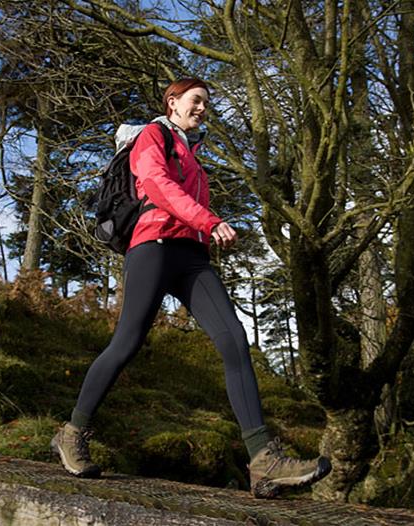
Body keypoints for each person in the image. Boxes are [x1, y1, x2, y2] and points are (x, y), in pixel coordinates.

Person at [51, 78, 331, 498]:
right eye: (195, 100)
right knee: (126, 343)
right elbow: (159, 186)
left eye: (206, 103)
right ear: (173, 101)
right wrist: (211, 221)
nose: (202, 108)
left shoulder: (193, 154)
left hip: (192, 256)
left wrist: (203, 227)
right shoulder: (154, 134)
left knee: (234, 339)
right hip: (153, 247)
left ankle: (263, 460)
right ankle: (72, 433)